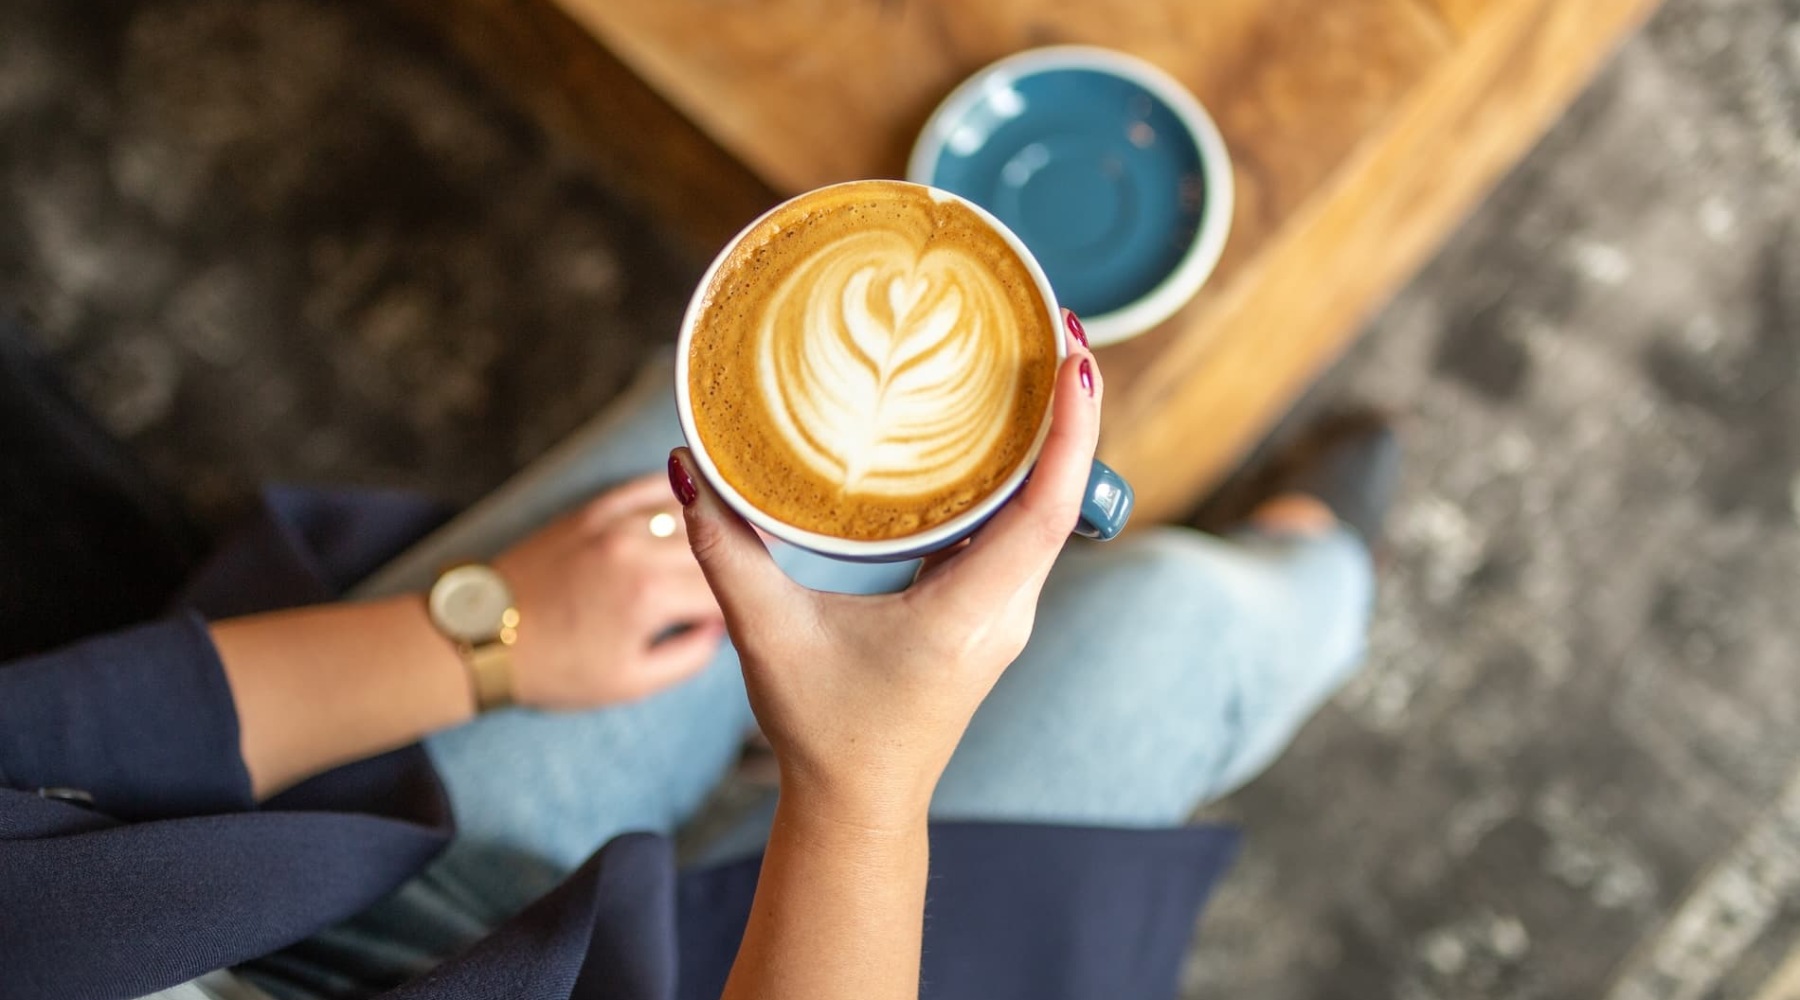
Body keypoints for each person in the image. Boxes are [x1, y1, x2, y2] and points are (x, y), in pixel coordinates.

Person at [0, 310, 1393, 1000]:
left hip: (346, 879)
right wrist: (856, 795)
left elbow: (44, 747)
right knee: (1178, 623)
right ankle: (1317, 562)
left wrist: (477, 636)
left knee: (725, 407)